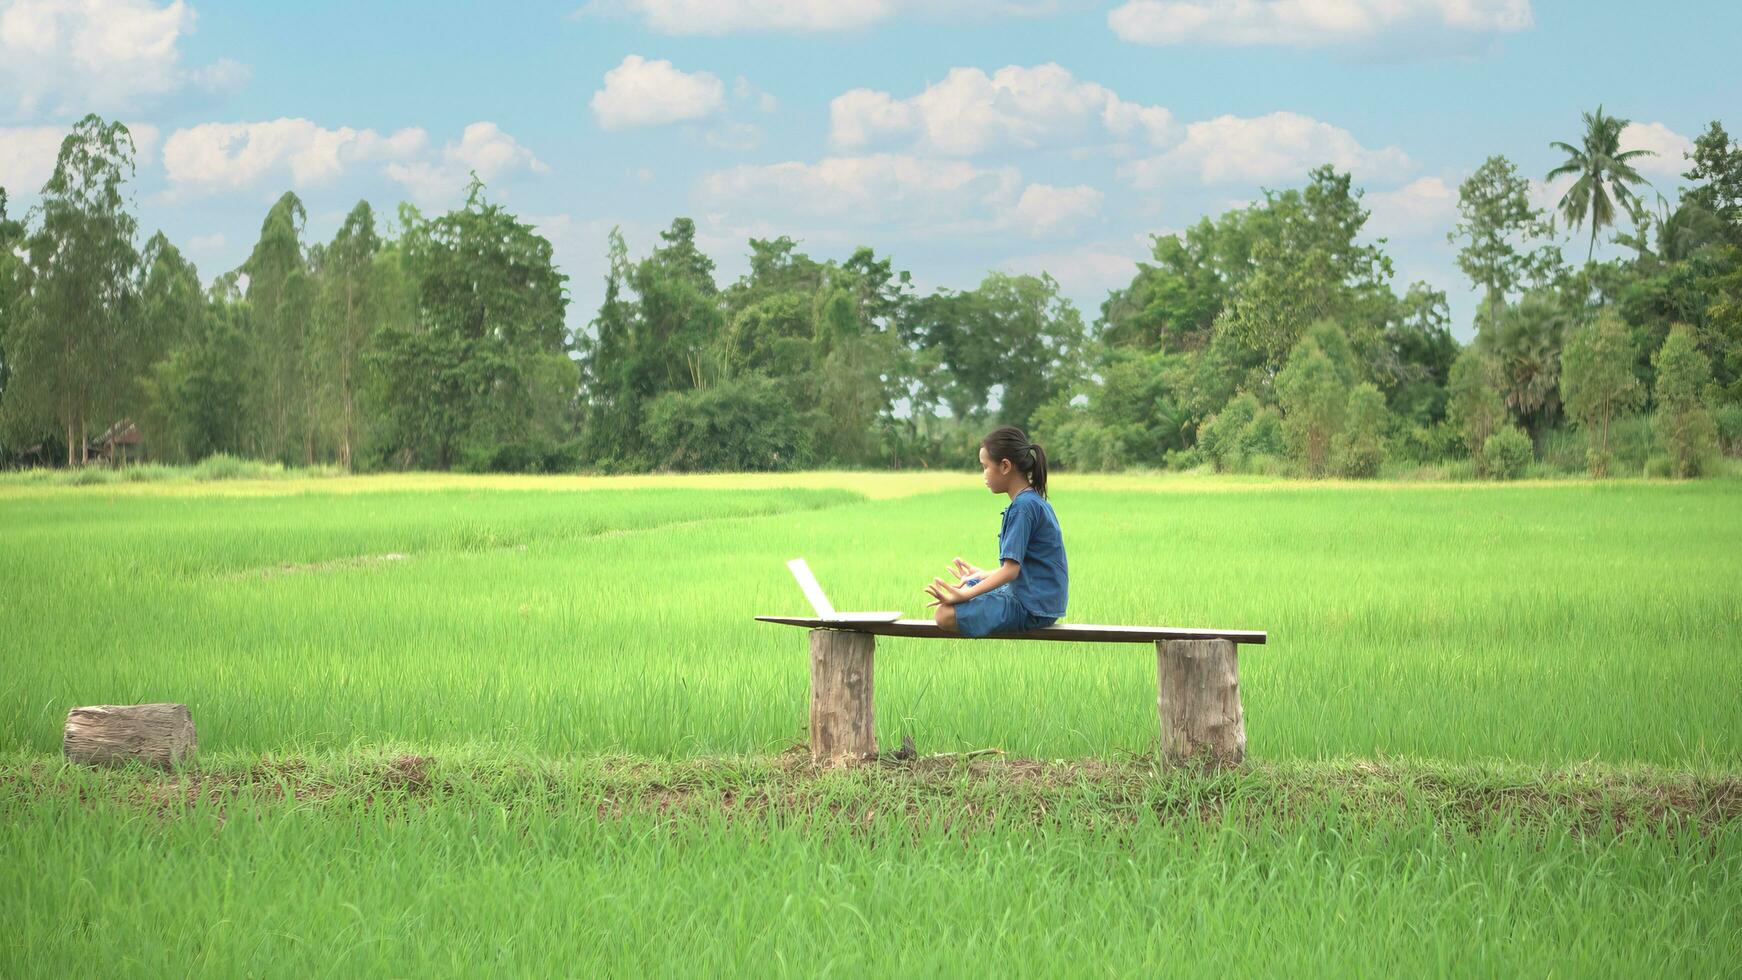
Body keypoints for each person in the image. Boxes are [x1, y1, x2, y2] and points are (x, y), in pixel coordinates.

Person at [924, 425, 1068, 636]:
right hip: (1040, 600)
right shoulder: (1033, 501)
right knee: (969, 583)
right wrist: (982, 575)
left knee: (943, 615)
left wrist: (963, 597)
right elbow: (1025, 568)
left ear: (1005, 466)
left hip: (1032, 607)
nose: (983, 474)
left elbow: (1011, 571)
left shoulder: (1023, 507)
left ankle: (967, 593)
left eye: (985, 466)